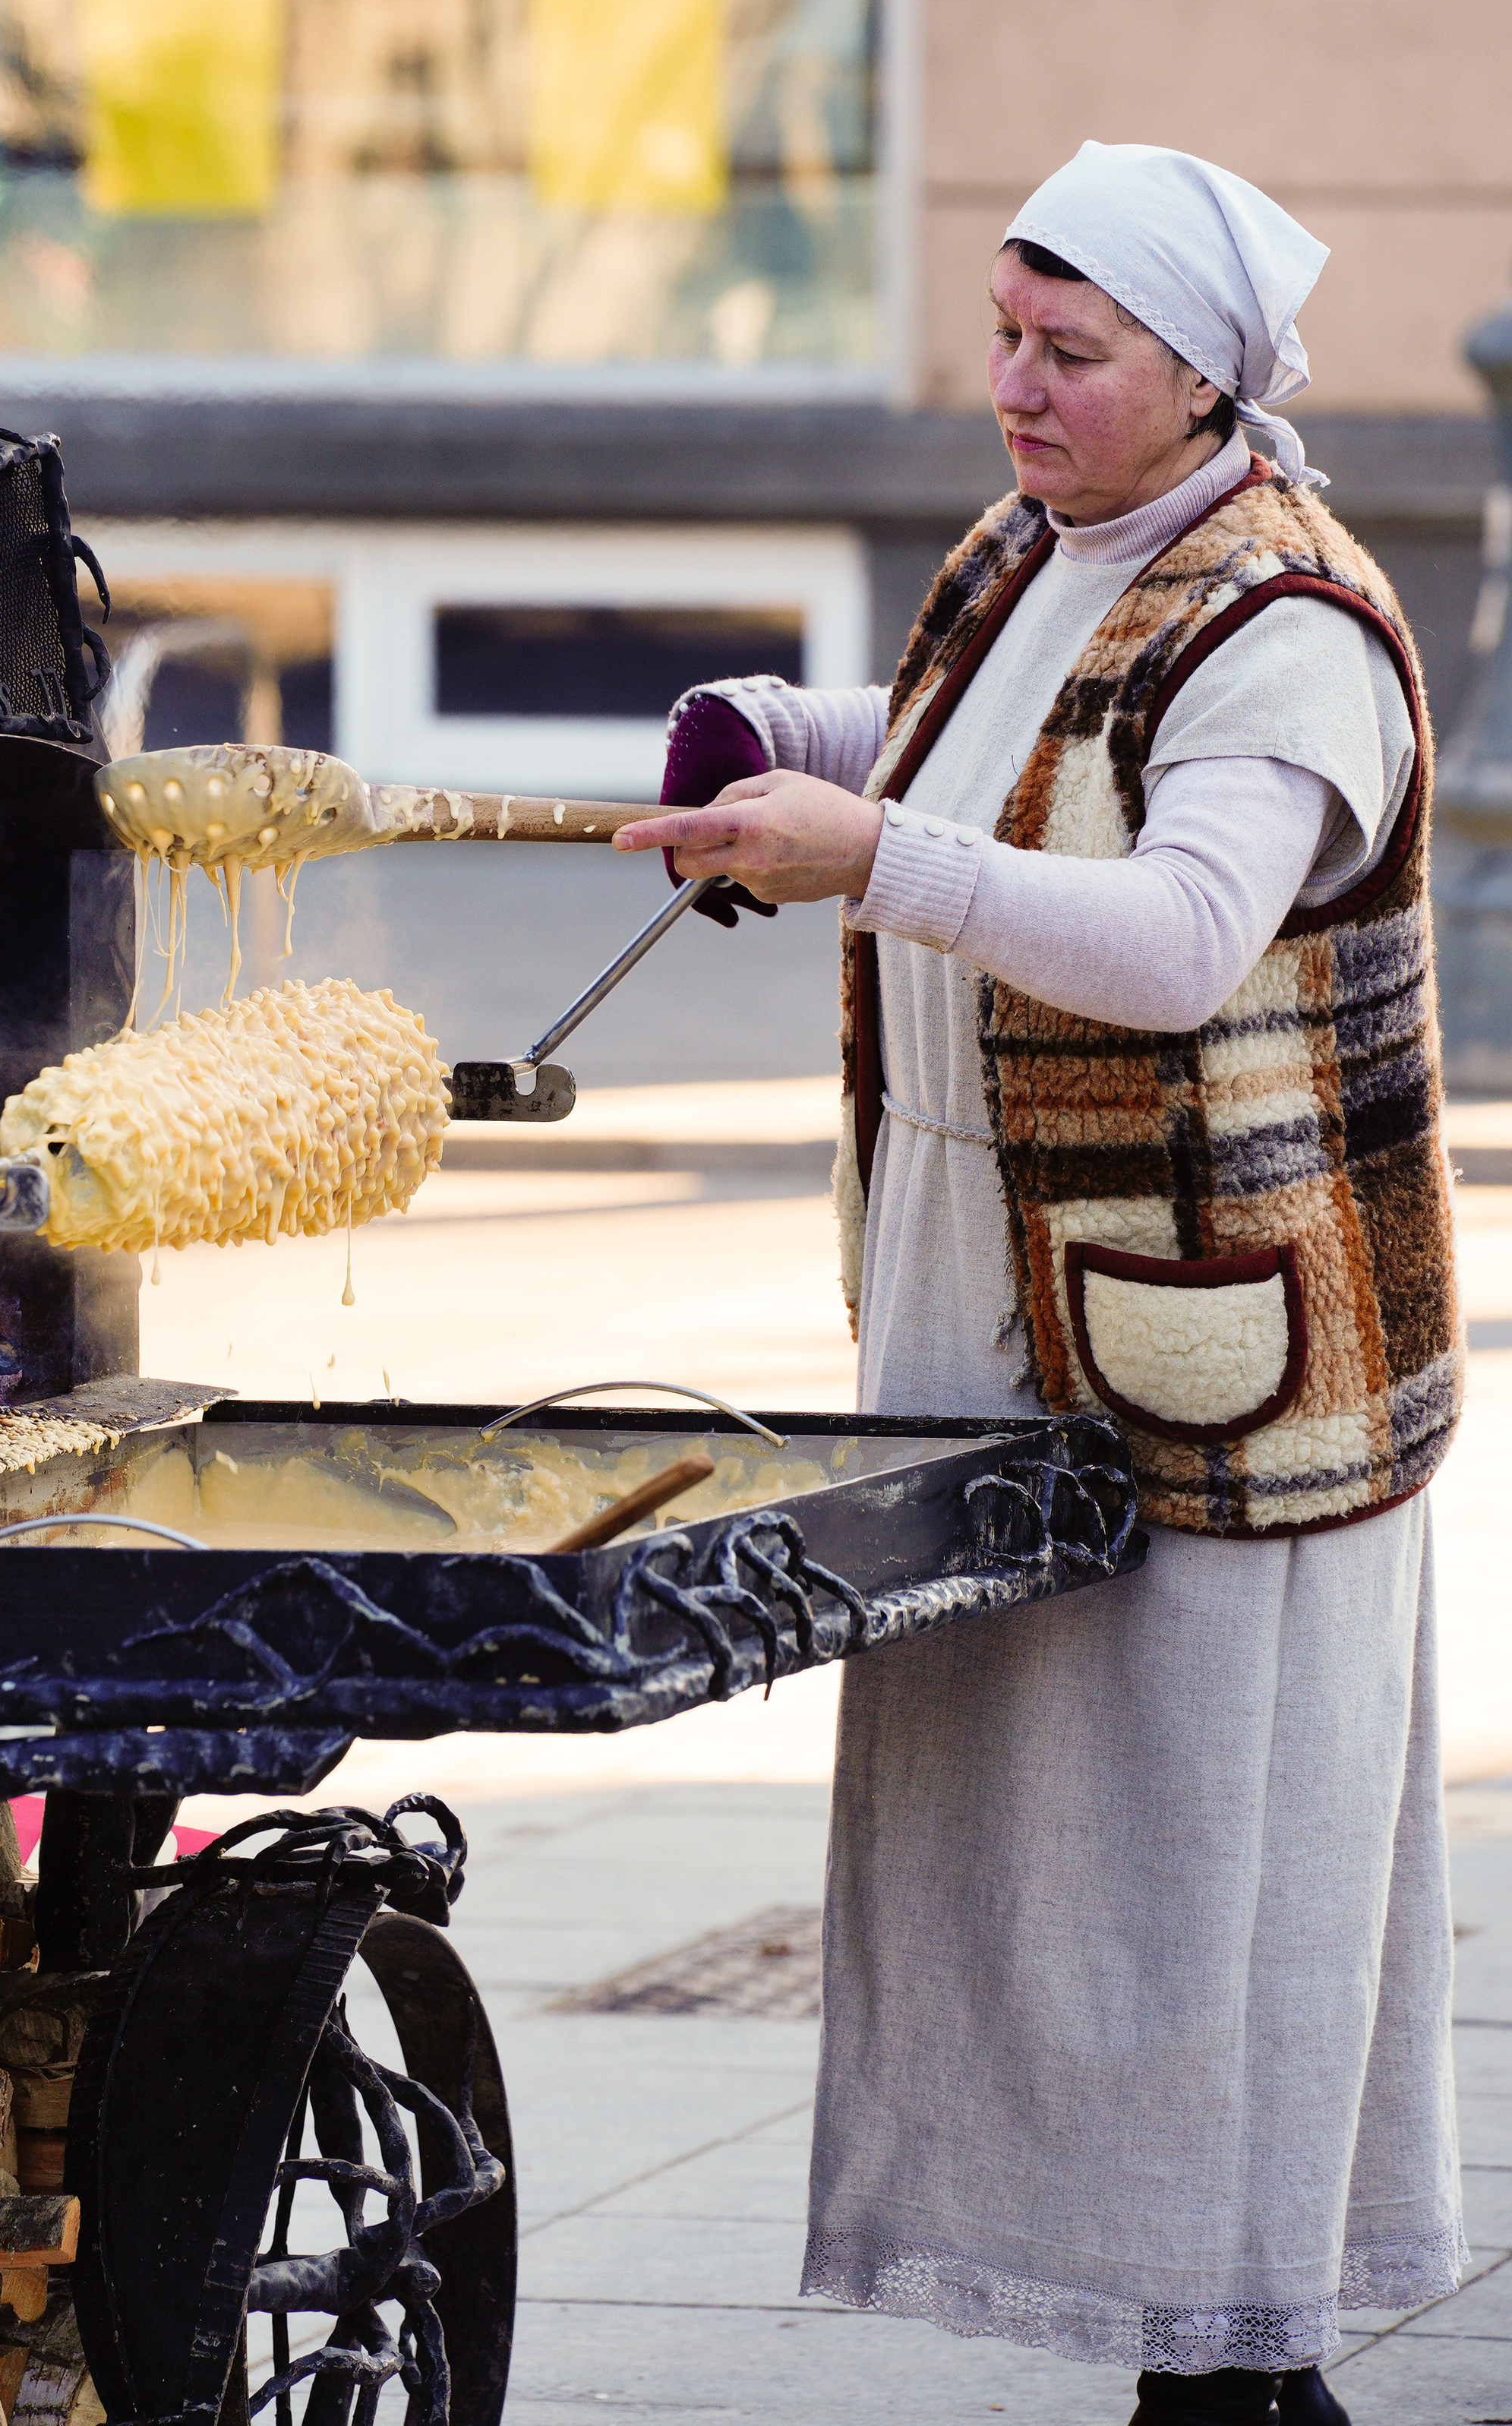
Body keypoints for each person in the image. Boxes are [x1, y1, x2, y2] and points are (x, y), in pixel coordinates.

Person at [615, 141, 1466, 2426]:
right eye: (1003, 331)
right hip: (1015, 1292)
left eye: (1067, 353)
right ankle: (1167, 2342)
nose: (1012, 383)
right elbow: (1010, 780)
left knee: (1195, 1872)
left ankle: (1239, 2365)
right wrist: (790, 755)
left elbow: (1179, 937)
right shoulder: (1054, 549)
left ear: (1207, 378)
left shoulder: (1287, 627)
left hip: (1221, 1345)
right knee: (1040, 1860)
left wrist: (867, 852)